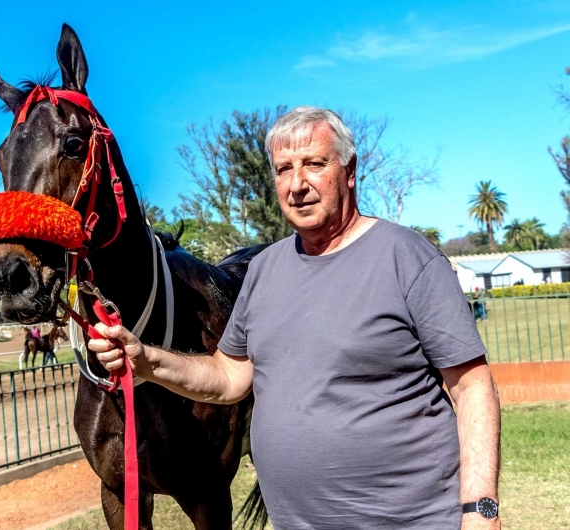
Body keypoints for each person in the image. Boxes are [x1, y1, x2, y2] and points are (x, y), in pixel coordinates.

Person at [88, 106, 501, 529]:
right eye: (284, 169)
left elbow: (471, 388)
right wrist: (145, 360)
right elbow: (228, 377)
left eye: (314, 164)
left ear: (350, 169)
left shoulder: (407, 257)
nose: (297, 184)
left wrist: (480, 509)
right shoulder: (265, 270)